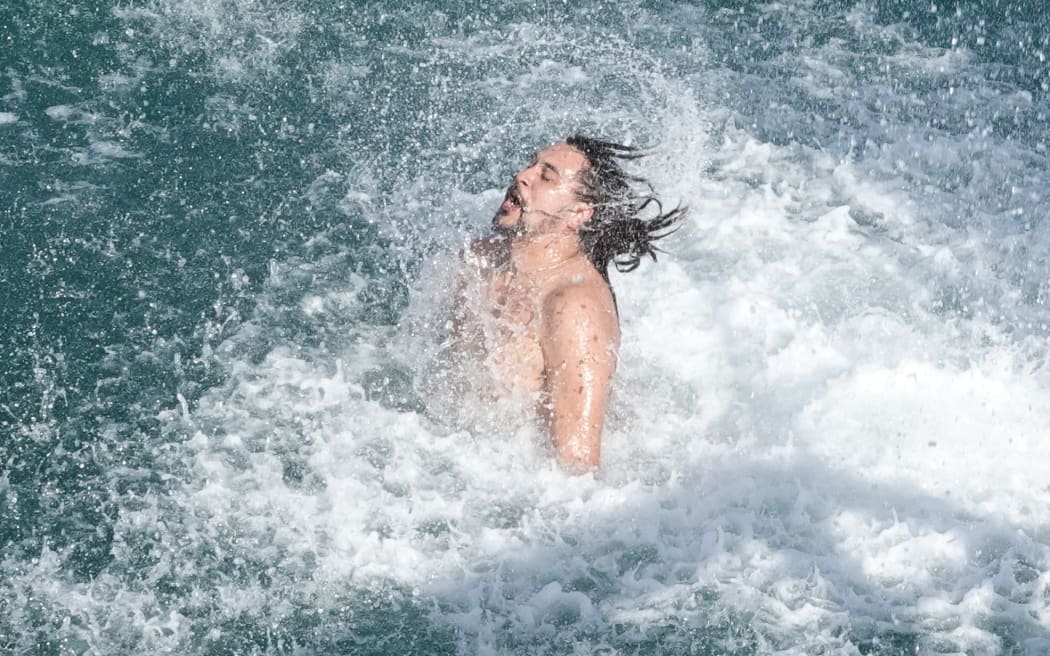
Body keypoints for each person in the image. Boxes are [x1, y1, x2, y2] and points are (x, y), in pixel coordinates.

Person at [453, 135, 686, 473]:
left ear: (578, 214)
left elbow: (578, 471)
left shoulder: (574, 307)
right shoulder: (481, 259)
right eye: (531, 163)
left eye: (546, 177)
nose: (522, 175)